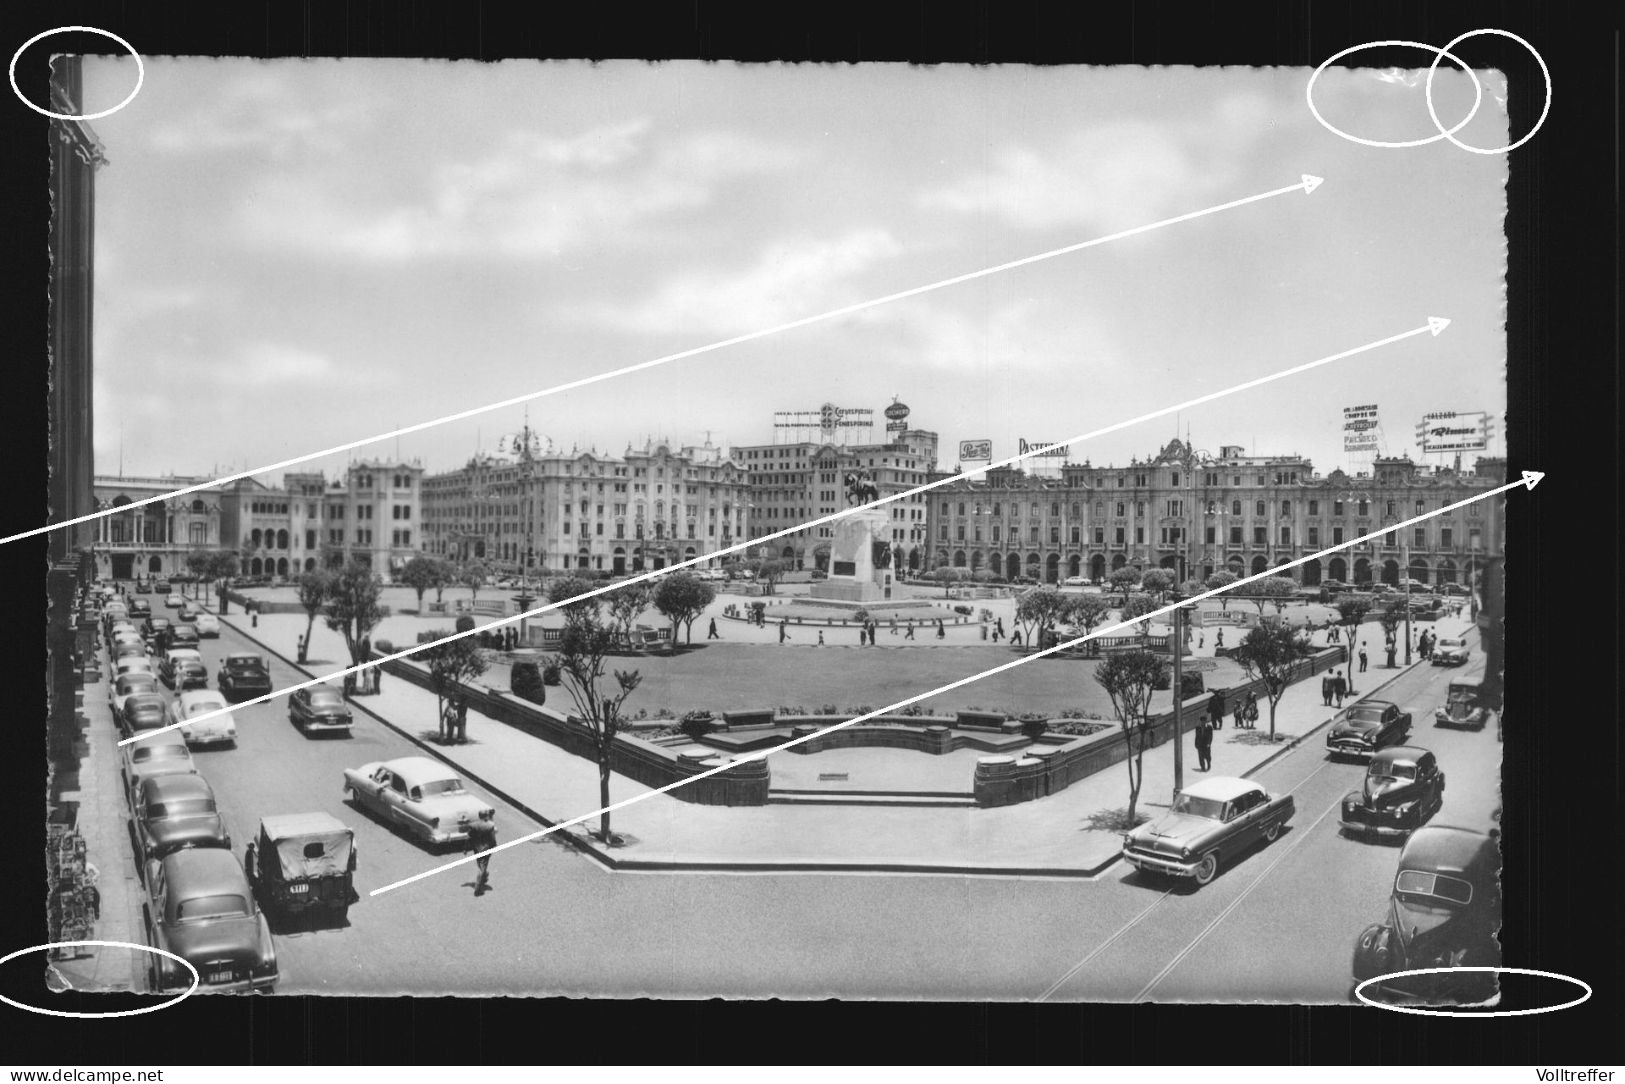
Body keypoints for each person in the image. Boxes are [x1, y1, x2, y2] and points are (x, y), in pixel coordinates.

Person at [464, 817, 497, 894]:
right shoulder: (489, 826)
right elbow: (492, 838)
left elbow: (469, 837)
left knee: (480, 864)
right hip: (486, 848)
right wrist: (494, 845)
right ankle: (479, 886)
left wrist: (465, 848)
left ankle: (482, 878)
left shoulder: (474, 826)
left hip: (477, 848)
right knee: (482, 866)